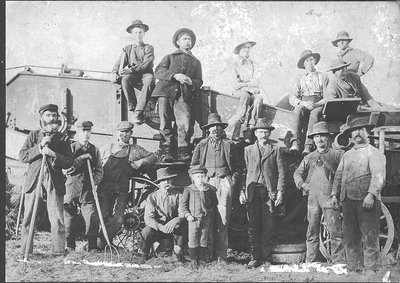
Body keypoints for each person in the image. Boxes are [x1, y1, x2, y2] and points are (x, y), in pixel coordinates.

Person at [331, 115, 386, 275]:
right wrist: (334, 194)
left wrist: (371, 194)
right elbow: (339, 175)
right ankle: (355, 267)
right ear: (351, 136)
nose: (357, 134)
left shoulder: (374, 153)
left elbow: (378, 176)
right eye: (354, 131)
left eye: (361, 130)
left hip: (366, 200)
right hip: (347, 200)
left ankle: (371, 268)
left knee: (370, 235)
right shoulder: (347, 155)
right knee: (350, 235)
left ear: (367, 133)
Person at [19, 104, 74, 256]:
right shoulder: (34, 135)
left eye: (54, 116)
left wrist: (53, 154)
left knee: (57, 219)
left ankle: (57, 252)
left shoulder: (63, 139)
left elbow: (70, 161)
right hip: (34, 180)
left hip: (54, 181)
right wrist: (39, 147)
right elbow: (22, 156)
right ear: (42, 118)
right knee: (29, 217)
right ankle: (26, 250)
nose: (52, 118)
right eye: (48, 115)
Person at [97, 121, 157, 249]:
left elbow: (153, 157)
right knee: (103, 215)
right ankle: (102, 243)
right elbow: (96, 164)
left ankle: (102, 243)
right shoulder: (107, 148)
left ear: (131, 133)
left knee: (118, 220)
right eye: (122, 132)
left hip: (122, 189)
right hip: (105, 188)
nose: (124, 134)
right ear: (117, 133)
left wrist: (141, 161)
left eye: (127, 132)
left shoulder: (135, 150)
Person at [293, 121, 345, 263]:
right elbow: (297, 173)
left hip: (330, 197)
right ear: (313, 139)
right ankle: (311, 261)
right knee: (312, 231)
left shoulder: (337, 155)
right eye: (316, 136)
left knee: (335, 231)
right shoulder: (309, 158)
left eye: (322, 136)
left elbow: (343, 174)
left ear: (328, 138)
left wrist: (336, 193)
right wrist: (303, 185)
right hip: (312, 199)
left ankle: (338, 262)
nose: (319, 139)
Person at [190, 113, 239, 263]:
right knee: (206, 217)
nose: (215, 129)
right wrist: (198, 182)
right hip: (208, 182)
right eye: (212, 126)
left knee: (223, 219)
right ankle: (207, 255)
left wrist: (233, 181)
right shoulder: (201, 145)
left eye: (218, 126)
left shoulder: (229, 145)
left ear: (221, 128)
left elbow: (238, 168)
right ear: (208, 129)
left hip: (224, 181)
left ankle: (221, 255)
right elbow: (192, 166)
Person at [239, 118, 286, 268]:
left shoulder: (275, 149)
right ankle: (254, 257)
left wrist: (280, 191)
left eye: (266, 132)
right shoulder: (248, 150)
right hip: (252, 191)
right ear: (255, 134)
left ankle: (266, 257)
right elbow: (243, 172)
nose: (263, 134)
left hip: (268, 192)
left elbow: (281, 172)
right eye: (260, 132)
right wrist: (241, 191)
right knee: (253, 224)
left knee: (268, 225)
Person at [151, 28, 203, 163]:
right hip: (165, 92)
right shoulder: (170, 57)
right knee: (165, 121)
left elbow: (199, 81)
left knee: (184, 122)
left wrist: (192, 82)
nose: (187, 41)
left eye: (189, 39)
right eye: (185, 39)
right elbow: (158, 71)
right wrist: (174, 75)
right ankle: (166, 151)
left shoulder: (196, 62)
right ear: (178, 42)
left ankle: (182, 151)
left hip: (184, 95)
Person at [63, 121, 103, 253]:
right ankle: (70, 245)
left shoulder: (94, 149)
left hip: (87, 188)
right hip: (72, 186)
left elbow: (99, 170)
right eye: (83, 131)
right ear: (77, 133)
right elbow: (67, 169)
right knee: (69, 216)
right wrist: (81, 158)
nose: (86, 134)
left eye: (88, 131)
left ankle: (92, 246)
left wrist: (94, 182)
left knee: (91, 216)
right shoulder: (71, 148)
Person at [111, 20, 156, 124]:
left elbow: (147, 64)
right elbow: (119, 63)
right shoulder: (128, 48)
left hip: (145, 73)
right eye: (135, 33)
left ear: (144, 34)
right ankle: (133, 107)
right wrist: (114, 73)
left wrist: (130, 70)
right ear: (132, 34)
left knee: (150, 80)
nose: (138, 35)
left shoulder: (148, 48)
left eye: (140, 32)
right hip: (133, 75)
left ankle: (139, 111)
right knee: (125, 79)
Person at [140, 167, 186, 263]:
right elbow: (148, 217)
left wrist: (175, 220)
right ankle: (144, 255)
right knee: (146, 231)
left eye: (169, 180)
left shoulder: (179, 196)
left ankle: (176, 254)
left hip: (173, 228)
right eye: (164, 181)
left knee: (181, 227)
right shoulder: (153, 197)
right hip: (158, 228)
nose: (167, 183)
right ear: (159, 184)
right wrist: (160, 227)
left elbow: (182, 213)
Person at [289, 50, 329, 156]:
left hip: (318, 103)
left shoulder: (323, 76)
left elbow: (327, 97)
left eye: (311, 60)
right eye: (307, 61)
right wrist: (304, 103)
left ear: (315, 61)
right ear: (303, 64)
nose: (310, 63)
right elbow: (292, 98)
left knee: (315, 114)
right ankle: (295, 142)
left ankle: (308, 145)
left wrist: (316, 104)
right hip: (304, 102)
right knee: (297, 110)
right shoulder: (299, 79)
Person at [229, 40, 270, 141]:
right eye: (244, 47)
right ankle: (237, 127)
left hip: (250, 91)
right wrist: (248, 85)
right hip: (239, 92)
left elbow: (256, 82)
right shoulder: (234, 63)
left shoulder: (251, 64)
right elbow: (235, 85)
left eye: (248, 48)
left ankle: (250, 128)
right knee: (245, 96)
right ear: (239, 50)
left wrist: (252, 87)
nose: (247, 50)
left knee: (259, 98)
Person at [180, 165, 218, 269]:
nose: (200, 179)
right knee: (193, 239)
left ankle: (202, 259)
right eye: (197, 177)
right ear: (193, 178)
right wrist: (187, 215)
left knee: (203, 239)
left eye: (202, 176)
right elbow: (183, 205)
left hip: (205, 219)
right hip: (193, 219)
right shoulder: (189, 189)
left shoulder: (209, 189)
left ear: (205, 177)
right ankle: (193, 260)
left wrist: (209, 212)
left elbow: (214, 203)